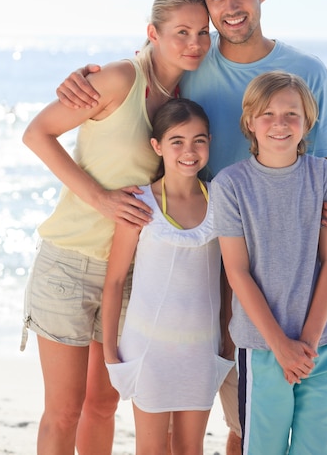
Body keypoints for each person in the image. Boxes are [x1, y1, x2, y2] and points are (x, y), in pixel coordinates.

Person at [56, 0, 327, 454]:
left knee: (243, 417)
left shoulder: (308, 72)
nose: (231, 7)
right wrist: (85, 79)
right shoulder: (195, 61)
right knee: (205, 394)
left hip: (283, 265)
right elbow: (146, 67)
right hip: (209, 250)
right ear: (206, 4)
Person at [20, 0, 210, 455]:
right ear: (153, 33)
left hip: (129, 276)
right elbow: (36, 133)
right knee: (64, 411)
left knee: (103, 406)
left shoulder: (185, 91)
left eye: (203, 33)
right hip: (68, 263)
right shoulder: (118, 79)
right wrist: (100, 198)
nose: (194, 43)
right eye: (181, 32)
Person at [212, 71, 327, 454]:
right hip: (261, 348)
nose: (280, 123)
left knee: (317, 449)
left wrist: (307, 343)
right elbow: (237, 272)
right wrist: (281, 347)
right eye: (268, 114)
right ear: (250, 122)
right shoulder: (230, 185)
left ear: (308, 122)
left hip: (323, 342)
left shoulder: (324, 176)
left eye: (292, 114)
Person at [102, 98, 233, 455]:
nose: (189, 151)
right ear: (157, 146)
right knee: (152, 449)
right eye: (177, 141)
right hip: (149, 350)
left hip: (201, 350)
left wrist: (225, 338)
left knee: (191, 449)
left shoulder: (220, 199)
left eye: (199, 140)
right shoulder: (140, 203)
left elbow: (225, 276)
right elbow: (114, 282)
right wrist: (110, 352)